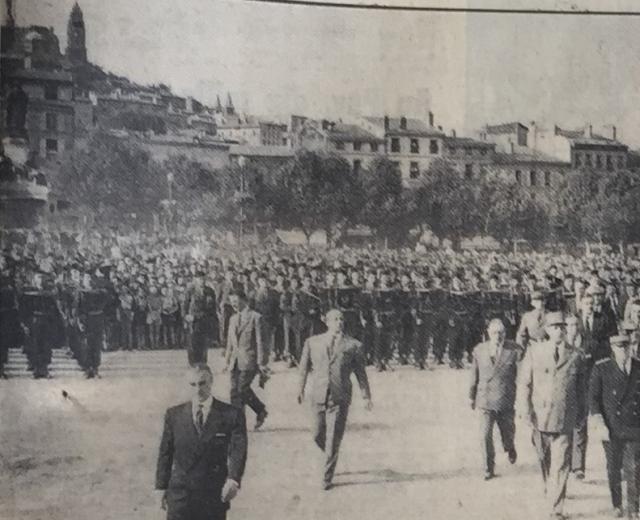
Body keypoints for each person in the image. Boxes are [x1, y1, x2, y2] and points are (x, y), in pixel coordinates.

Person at [517, 311, 586, 520]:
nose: (560, 331)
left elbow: (582, 389)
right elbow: (524, 384)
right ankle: (550, 486)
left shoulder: (576, 355)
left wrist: (582, 414)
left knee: (561, 462)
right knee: (544, 459)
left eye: (562, 327)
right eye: (555, 327)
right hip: (540, 416)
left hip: (565, 416)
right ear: (546, 330)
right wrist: (524, 410)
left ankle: (556, 509)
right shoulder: (534, 352)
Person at [155, 364, 247, 520]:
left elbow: (239, 449)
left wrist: (233, 479)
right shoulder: (174, 415)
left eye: (202, 383)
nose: (198, 389)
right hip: (180, 496)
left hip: (212, 494)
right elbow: (165, 453)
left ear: (211, 381)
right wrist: (160, 486)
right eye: (193, 384)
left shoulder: (230, 414)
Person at [297, 309, 373, 490]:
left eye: (341, 319)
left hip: (340, 397)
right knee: (317, 435)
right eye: (335, 319)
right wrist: (300, 389)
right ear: (327, 322)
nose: (339, 322)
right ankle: (332, 455)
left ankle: (327, 477)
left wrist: (366, 396)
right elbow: (303, 369)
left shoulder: (354, 345)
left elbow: (361, 373)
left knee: (332, 439)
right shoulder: (312, 342)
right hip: (318, 395)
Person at [589, 334, 640, 519]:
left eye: (627, 347)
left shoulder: (638, 367)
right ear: (613, 349)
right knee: (613, 468)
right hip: (611, 428)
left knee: (634, 468)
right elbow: (593, 400)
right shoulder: (602, 368)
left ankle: (634, 508)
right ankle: (617, 504)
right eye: (619, 348)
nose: (624, 351)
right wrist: (599, 423)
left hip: (635, 427)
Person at [469, 319, 519, 480]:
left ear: (505, 334)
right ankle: (488, 468)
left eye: (501, 333)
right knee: (485, 435)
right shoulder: (479, 350)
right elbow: (474, 375)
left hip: (506, 399)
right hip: (485, 400)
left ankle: (510, 447)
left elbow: (523, 375)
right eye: (494, 333)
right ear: (488, 333)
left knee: (507, 431)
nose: (498, 336)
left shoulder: (514, 350)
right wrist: (471, 396)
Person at [224, 290, 269, 430]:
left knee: (242, 389)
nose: (234, 305)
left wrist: (262, 363)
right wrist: (227, 359)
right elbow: (230, 342)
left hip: (249, 360)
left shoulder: (256, 317)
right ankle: (239, 421)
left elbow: (261, 342)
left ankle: (259, 410)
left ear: (245, 300)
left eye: (236, 302)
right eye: (232, 303)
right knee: (234, 391)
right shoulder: (232, 319)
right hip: (235, 361)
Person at [516, 290, 547, 357]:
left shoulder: (549, 315)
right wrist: (521, 348)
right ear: (532, 303)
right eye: (536, 301)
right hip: (532, 345)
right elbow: (521, 333)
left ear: (544, 302)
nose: (540, 303)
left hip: (547, 345)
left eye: (541, 300)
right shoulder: (527, 316)